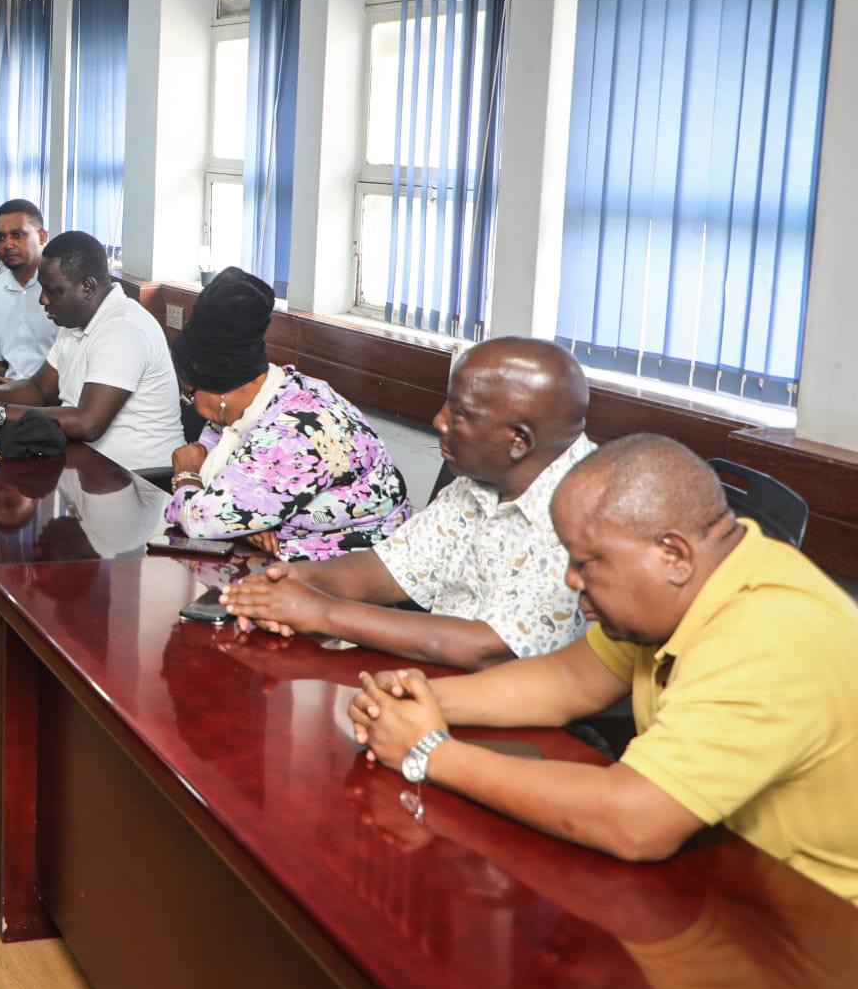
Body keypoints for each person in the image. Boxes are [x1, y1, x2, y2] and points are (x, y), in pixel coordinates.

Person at [347, 435, 858, 904]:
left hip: (815, 930)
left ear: (672, 555)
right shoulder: (703, 575)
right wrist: (422, 700)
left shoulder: (766, 637)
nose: (572, 581)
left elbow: (634, 821)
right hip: (720, 876)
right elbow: (566, 681)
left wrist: (430, 752)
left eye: (588, 563)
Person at [218, 337, 594, 670]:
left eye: (459, 413)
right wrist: (293, 581)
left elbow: (489, 648)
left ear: (518, 442)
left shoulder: (586, 510)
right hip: (434, 682)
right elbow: (387, 568)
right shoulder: (487, 477)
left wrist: (320, 611)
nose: (438, 421)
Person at [166, 267, 411, 561]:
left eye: (190, 394)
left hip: (354, 569)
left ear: (220, 393)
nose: (190, 403)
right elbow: (228, 499)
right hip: (295, 554)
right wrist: (245, 520)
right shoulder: (271, 392)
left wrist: (186, 476)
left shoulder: (291, 433)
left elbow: (200, 518)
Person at [0, 231, 182, 473]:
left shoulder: (123, 327)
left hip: (138, 480)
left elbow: (87, 422)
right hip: (85, 465)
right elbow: (39, 390)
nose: (43, 300)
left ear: (87, 287)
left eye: (53, 290)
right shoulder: (74, 321)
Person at [0, 198, 58, 383]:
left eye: (17, 235)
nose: (8, 245)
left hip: (55, 402)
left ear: (42, 236)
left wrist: (23, 391)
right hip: (9, 399)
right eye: (0, 238)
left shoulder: (61, 290)